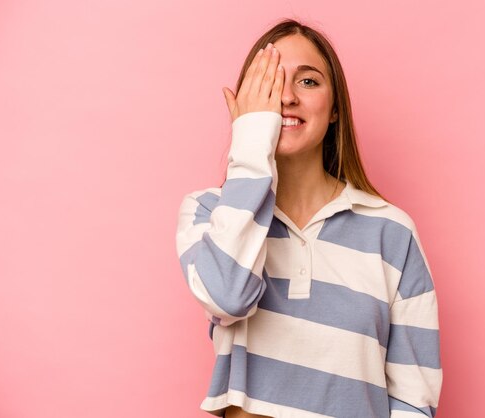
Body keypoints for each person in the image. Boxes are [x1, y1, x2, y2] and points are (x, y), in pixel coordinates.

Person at [175, 18, 442, 418]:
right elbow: (229, 298)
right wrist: (249, 141)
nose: (285, 97)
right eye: (269, 82)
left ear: (335, 109)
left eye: (308, 81)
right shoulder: (211, 212)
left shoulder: (392, 232)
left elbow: (414, 397)